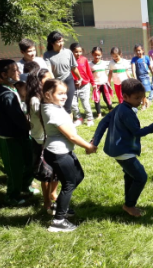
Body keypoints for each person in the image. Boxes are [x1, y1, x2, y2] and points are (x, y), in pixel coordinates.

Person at [92, 79, 153, 217]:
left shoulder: (120, 107)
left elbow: (104, 122)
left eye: (141, 97)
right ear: (125, 96)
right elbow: (137, 132)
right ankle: (129, 205)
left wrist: (95, 142)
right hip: (124, 151)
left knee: (130, 176)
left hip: (118, 149)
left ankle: (129, 203)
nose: (140, 101)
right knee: (141, 177)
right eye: (136, 98)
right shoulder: (126, 112)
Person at [41, 79, 97, 232]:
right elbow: (71, 136)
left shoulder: (54, 106)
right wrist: (89, 146)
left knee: (78, 176)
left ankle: (60, 206)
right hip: (59, 153)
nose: (64, 96)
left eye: (65, 93)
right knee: (69, 183)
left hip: (64, 151)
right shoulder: (51, 111)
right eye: (60, 94)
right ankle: (58, 221)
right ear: (47, 95)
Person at [0, 59, 35, 206]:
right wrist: (31, 126)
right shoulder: (5, 95)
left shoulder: (12, 87)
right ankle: (12, 195)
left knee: (30, 161)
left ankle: (25, 186)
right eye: (14, 70)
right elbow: (16, 117)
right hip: (9, 136)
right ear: (3, 74)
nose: (18, 72)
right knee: (15, 167)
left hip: (22, 133)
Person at [25, 68, 59, 213]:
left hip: (52, 138)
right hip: (42, 140)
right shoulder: (35, 99)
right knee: (46, 173)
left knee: (56, 170)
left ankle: (53, 193)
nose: (52, 81)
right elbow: (46, 118)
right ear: (39, 81)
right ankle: (46, 203)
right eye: (48, 79)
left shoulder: (47, 95)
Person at [43, 31, 84, 115]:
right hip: (56, 82)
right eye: (58, 42)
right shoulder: (47, 55)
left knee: (67, 107)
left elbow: (73, 67)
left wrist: (80, 78)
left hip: (68, 80)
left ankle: (69, 125)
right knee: (57, 106)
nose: (61, 43)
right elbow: (49, 70)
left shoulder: (68, 52)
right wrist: (53, 83)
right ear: (52, 43)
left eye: (62, 41)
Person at [70, 43, 95, 127]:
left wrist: (93, 83)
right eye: (76, 52)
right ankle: (79, 118)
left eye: (80, 51)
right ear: (71, 52)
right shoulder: (68, 60)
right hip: (73, 85)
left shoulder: (84, 59)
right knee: (73, 104)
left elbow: (89, 72)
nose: (78, 54)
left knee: (85, 103)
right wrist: (74, 81)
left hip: (84, 85)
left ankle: (90, 118)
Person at [90, 46, 113, 118]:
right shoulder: (90, 64)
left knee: (106, 97)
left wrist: (108, 81)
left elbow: (106, 72)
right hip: (96, 85)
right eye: (95, 55)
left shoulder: (103, 63)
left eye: (99, 55)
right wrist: (92, 83)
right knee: (97, 99)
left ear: (101, 54)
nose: (97, 56)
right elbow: (90, 75)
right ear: (92, 54)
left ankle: (110, 110)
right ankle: (99, 114)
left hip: (104, 83)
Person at [131, 44, 153, 110]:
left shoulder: (146, 58)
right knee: (140, 91)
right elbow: (133, 69)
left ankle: (143, 105)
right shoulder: (134, 59)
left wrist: (152, 72)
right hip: (138, 77)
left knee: (143, 91)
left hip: (145, 77)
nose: (138, 52)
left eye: (139, 50)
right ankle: (147, 101)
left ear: (142, 50)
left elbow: (149, 66)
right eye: (137, 51)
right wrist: (135, 77)